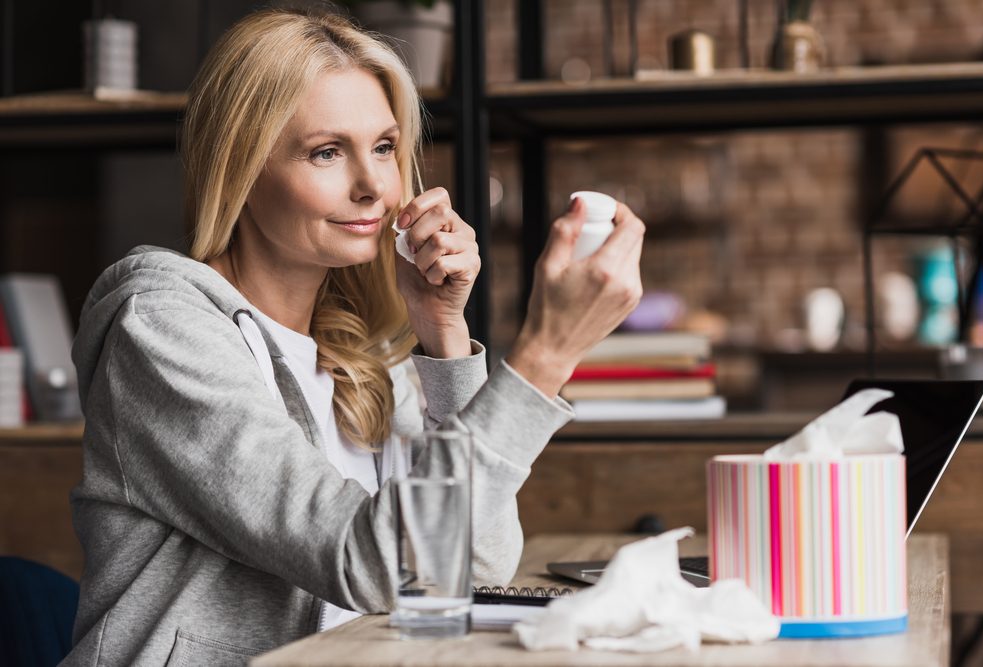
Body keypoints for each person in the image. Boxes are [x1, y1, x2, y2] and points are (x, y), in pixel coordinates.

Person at [63, 8, 644, 666]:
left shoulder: (364, 349)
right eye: (327, 152)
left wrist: (445, 338)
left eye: (386, 147)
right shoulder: (160, 333)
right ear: (243, 166)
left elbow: (467, 565)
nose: (374, 187)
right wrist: (543, 358)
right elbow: (374, 563)